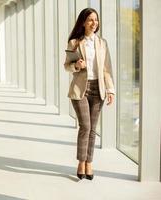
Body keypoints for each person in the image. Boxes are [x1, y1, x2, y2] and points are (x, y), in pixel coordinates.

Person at [64, 8, 115, 180]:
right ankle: (81, 161)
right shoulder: (74, 43)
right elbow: (67, 66)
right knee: (85, 127)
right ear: (83, 22)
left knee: (93, 129)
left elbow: (107, 69)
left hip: (98, 88)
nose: (94, 23)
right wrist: (77, 65)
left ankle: (89, 163)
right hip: (81, 89)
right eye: (90, 20)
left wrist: (110, 89)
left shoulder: (102, 43)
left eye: (96, 20)